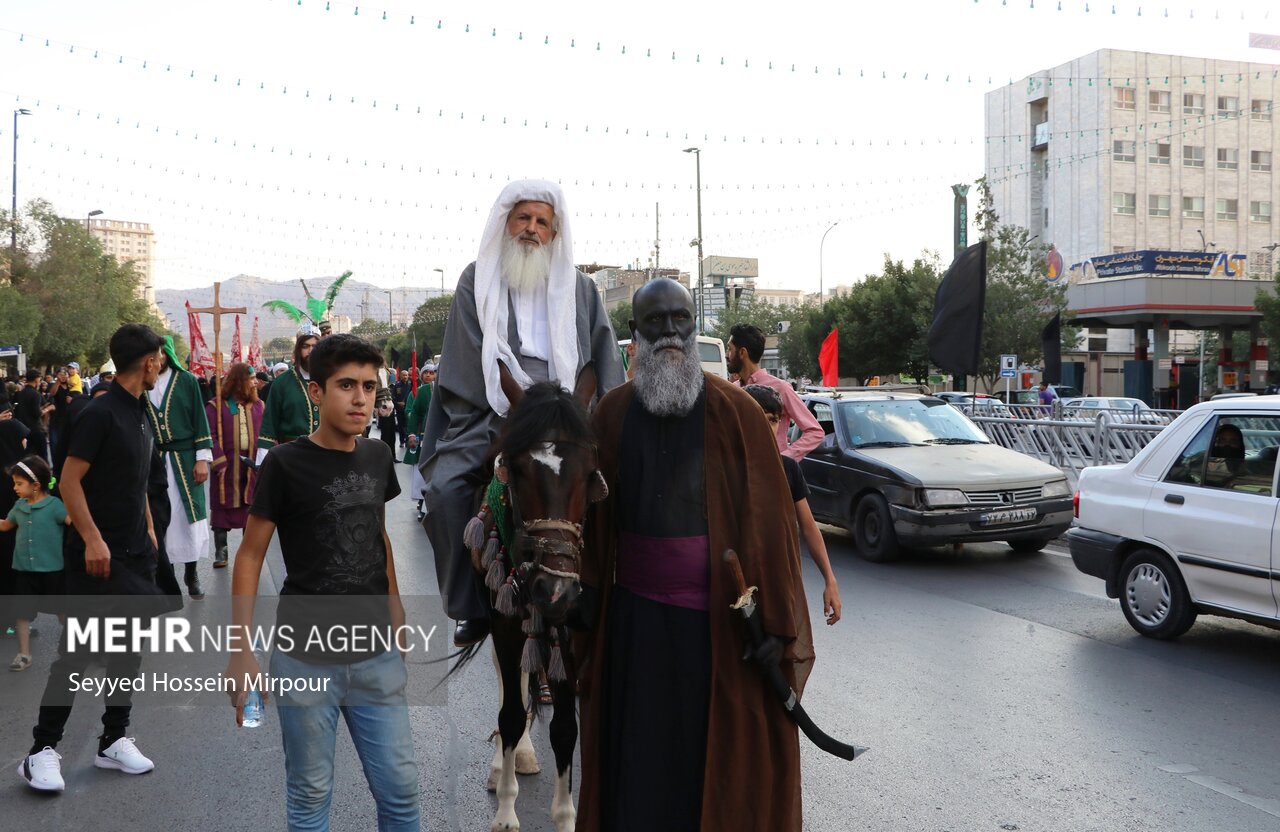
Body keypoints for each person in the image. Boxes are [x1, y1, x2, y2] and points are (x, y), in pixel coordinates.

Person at [576, 278, 814, 831]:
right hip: (633, 628)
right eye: (653, 323)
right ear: (633, 335)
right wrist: (582, 602)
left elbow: (771, 531)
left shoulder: (737, 413)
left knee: (717, 771)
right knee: (638, 766)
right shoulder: (610, 415)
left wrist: (775, 625)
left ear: (694, 324)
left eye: (678, 319)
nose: (668, 334)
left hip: (720, 633)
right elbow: (590, 520)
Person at [224, 334, 420, 831]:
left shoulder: (377, 457)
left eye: (370, 387)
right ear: (316, 393)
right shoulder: (286, 464)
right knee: (310, 796)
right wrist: (241, 652)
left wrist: (396, 611)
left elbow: (378, 536)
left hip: (377, 655)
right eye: (346, 385)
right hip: (305, 659)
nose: (360, 398)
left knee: (401, 793)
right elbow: (249, 557)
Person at [420, 179, 624, 647]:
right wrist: (521, 402)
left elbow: (603, 357)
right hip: (495, 406)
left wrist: (587, 410)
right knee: (447, 490)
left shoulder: (582, 289)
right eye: (523, 219)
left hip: (570, 409)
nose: (531, 230)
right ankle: (469, 606)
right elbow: (470, 357)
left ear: (555, 233)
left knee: (620, 486)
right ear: (506, 223)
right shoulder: (477, 278)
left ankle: (606, 591)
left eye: (542, 222)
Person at [19, 323, 167, 793]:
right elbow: (68, 481)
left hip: (135, 553)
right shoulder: (99, 412)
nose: (161, 365)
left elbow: (138, 477)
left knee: (127, 651)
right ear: (147, 361)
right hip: (97, 557)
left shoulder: (143, 413)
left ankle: (113, 741)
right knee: (77, 655)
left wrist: (146, 523)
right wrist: (93, 539)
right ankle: (41, 751)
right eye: (159, 358)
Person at [742, 384, 842, 625]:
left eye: (773, 420)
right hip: (736, 581)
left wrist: (830, 579)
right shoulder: (724, 469)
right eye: (759, 419)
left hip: (777, 580)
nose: (768, 427)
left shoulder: (787, 469)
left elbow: (808, 526)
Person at [146, 338, 214, 600]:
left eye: (161, 354)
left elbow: (199, 418)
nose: (157, 360)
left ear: (167, 354)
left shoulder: (186, 380)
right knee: (160, 518)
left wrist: (201, 459)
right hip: (156, 460)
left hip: (185, 459)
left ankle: (192, 572)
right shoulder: (143, 382)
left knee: (189, 518)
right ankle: (167, 576)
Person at [0, 455, 71, 672]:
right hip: (24, 571)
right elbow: (6, 526)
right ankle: (24, 654)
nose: (15, 488)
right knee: (22, 614)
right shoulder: (19, 506)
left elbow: (72, 522)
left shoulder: (55, 506)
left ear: (36, 485)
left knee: (63, 613)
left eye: (19, 483)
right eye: (14, 483)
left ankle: (78, 647)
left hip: (52, 571)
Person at [727, 323, 823, 460]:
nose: (726, 355)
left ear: (742, 353)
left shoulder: (780, 388)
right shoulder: (732, 390)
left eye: (729, 349)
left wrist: (784, 459)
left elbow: (815, 432)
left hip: (772, 475)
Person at [205, 363, 264, 568]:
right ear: (240, 381)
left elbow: (265, 435)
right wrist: (218, 459)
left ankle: (249, 551)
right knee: (223, 507)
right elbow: (209, 435)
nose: (255, 382)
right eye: (251, 378)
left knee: (251, 506)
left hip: (251, 466)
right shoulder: (216, 406)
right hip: (226, 466)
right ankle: (221, 552)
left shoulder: (259, 406)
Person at [257, 329, 321, 465]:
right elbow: (269, 423)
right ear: (298, 349)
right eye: (305, 346)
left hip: (326, 456)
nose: (310, 351)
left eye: (315, 346)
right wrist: (262, 460)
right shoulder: (281, 383)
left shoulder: (330, 379)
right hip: (291, 457)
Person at [402, 363, 434, 519]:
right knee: (422, 471)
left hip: (444, 439)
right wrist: (413, 434)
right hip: (425, 437)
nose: (429, 375)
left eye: (432, 372)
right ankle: (423, 504)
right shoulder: (420, 392)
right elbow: (412, 412)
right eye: (426, 372)